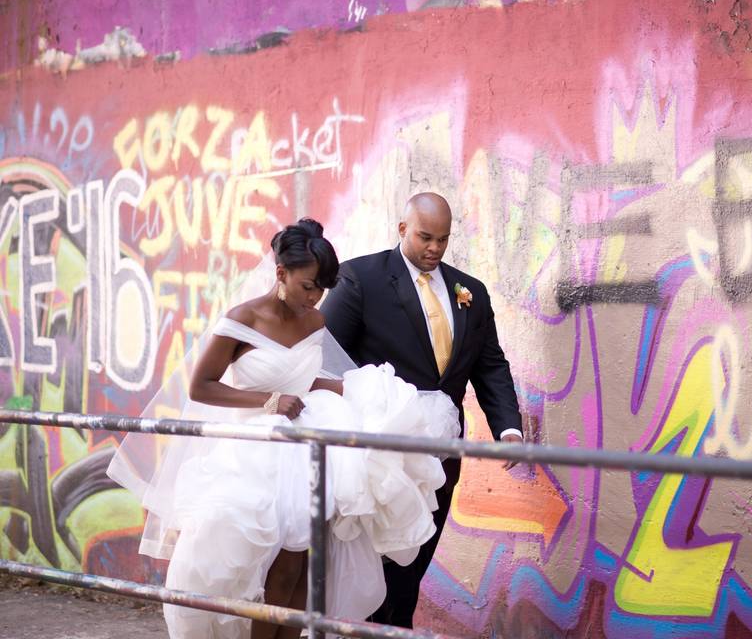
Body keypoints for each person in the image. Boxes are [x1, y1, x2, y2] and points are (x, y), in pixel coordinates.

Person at [107, 218, 461, 639]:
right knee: (265, 564)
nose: (316, 297)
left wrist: (353, 388)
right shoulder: (242, 320)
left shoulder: (313, 321)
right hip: (256, 448)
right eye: (309, 285)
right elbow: (201, 387)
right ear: (281, 273)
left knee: (303, 562)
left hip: (306, 439)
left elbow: (303, 377)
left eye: (323, 288)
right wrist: (269, 402)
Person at [321, 192, 523, 629]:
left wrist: (508, 430)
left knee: (415, 560)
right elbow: (324, 359)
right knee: (378, 563)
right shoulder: (360, 279)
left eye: (443, 240)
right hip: (378, 454)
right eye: (425, 237)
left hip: (442, 455)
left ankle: (395, 627)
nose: (434, 248)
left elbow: (490, 366)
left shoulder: (471, 292)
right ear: (402, 229)